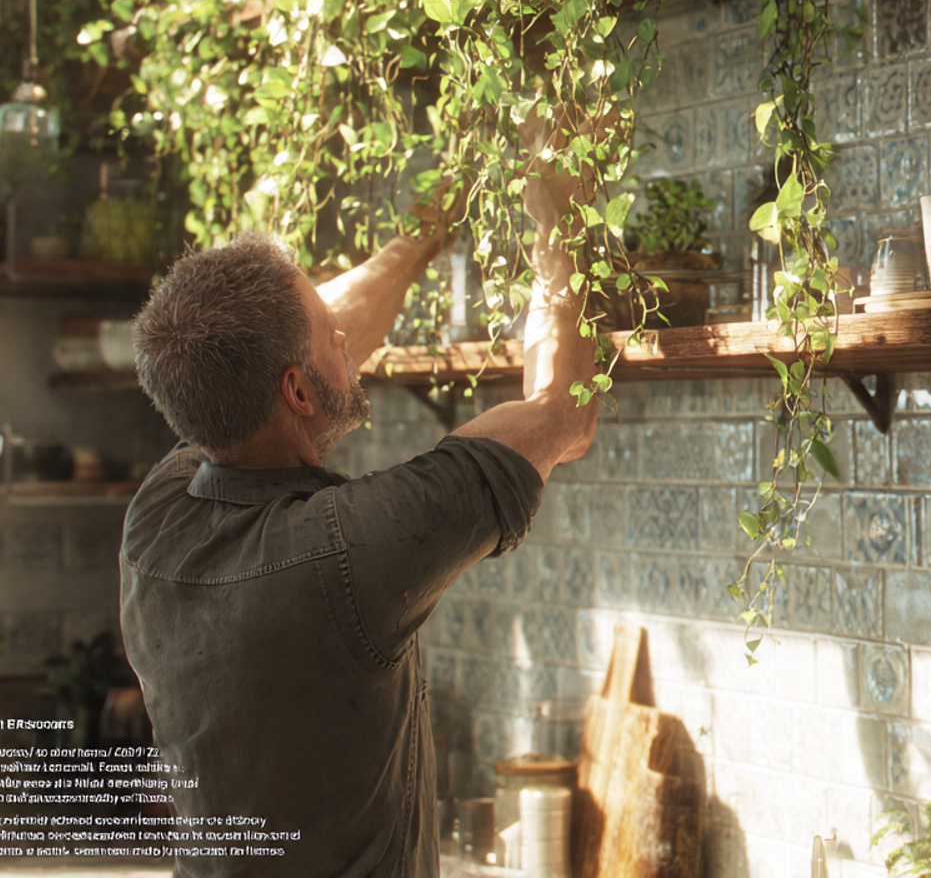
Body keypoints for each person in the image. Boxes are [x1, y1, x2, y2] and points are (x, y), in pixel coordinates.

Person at [119, 136, 598, 878]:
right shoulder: (349, 553)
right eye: (330, 340)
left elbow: (311, 337)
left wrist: (432, 224)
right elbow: (563, 410)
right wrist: (557, 217)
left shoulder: (157, 517)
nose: (349, 338)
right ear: (299, 393)